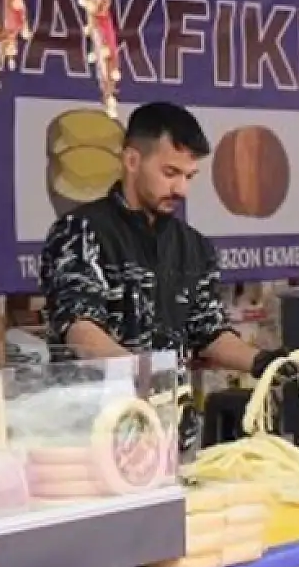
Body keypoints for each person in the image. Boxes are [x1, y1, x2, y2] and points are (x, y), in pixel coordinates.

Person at [39, 102, 282, 400]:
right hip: (96, 417)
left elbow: (209, 331)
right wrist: (142, 375)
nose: (181, 190)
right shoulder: (80, 231)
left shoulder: (194, 246)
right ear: (132, 160)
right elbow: (79, 328)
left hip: (172, 419)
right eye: (170, 173)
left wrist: (264, 363)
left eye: (189, 176)